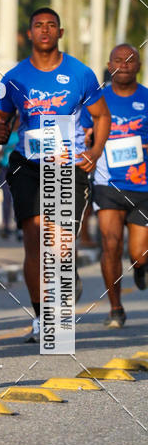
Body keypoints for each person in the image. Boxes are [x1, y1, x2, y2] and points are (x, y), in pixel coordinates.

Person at [0, 7, 111, 343]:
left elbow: (102, 117)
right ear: (30, 34)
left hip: (67, 165)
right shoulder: (14, 77)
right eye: (38, 26)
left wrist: (95, 152)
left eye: (51, 26)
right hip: (28, 165)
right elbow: (1, 121)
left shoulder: (80, 74)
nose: (44, 30)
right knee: (34, 240)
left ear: (60, 33)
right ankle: (43, 318)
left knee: (58, 244)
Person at [82, 44, 148, 327]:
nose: (124, 64)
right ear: (110, 66)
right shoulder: (97, 100)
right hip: (107, 183)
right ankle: (116, 307)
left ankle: (141, 267)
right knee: (110, 244)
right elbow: (83, 133)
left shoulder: (147, 99)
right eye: (118, 60)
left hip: (142, 186)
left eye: (131, 60)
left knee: (137, 254)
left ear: (139, 66)